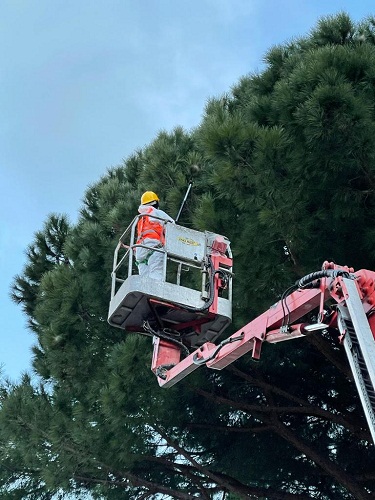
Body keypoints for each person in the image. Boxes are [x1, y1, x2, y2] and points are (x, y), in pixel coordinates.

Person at [135, 191, 174, 280]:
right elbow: (172, 225)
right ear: (155, 203)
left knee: (144, 280)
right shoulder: (156, 212)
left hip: (140, 252)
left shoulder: (142, 219)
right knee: (156, 275)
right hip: (154, 247)